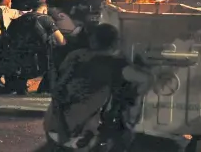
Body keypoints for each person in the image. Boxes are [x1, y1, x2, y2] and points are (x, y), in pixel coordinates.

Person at [43, 23, 152, 152]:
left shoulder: (75, 56)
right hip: (78, 135)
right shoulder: (114, 65)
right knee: (123, 134)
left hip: (52, 124)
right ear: (116, 43)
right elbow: (146, 79)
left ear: (93, 41)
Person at [0, 1, 67, 94]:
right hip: (40, 60)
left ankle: (19, 88)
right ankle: (47, 88)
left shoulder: (18, 20)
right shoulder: (46, 19)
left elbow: (8, 38)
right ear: (45, 10)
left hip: (21, 59)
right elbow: (62, 41)